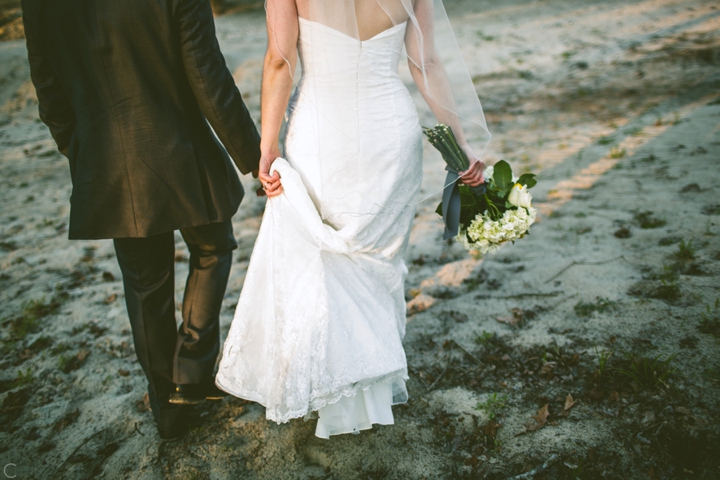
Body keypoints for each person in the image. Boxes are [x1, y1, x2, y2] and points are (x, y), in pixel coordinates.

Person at [216, 0, 489, 438]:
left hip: (323, 134)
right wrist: (461, 143)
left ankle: (342, 396)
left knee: (328, 261)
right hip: (391, 135)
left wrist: (267, 147)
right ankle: (369, 388)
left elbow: (279, 61)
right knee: (377, 261)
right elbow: (427, 62)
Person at [22, 0, 261, 439]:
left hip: (107, 163)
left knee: (144, 284)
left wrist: (82, 152)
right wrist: (252, 155)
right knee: (213, 248)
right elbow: (207, 75)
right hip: (180, 150)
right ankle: (190, 374)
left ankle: (167, 408)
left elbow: (49, 91)